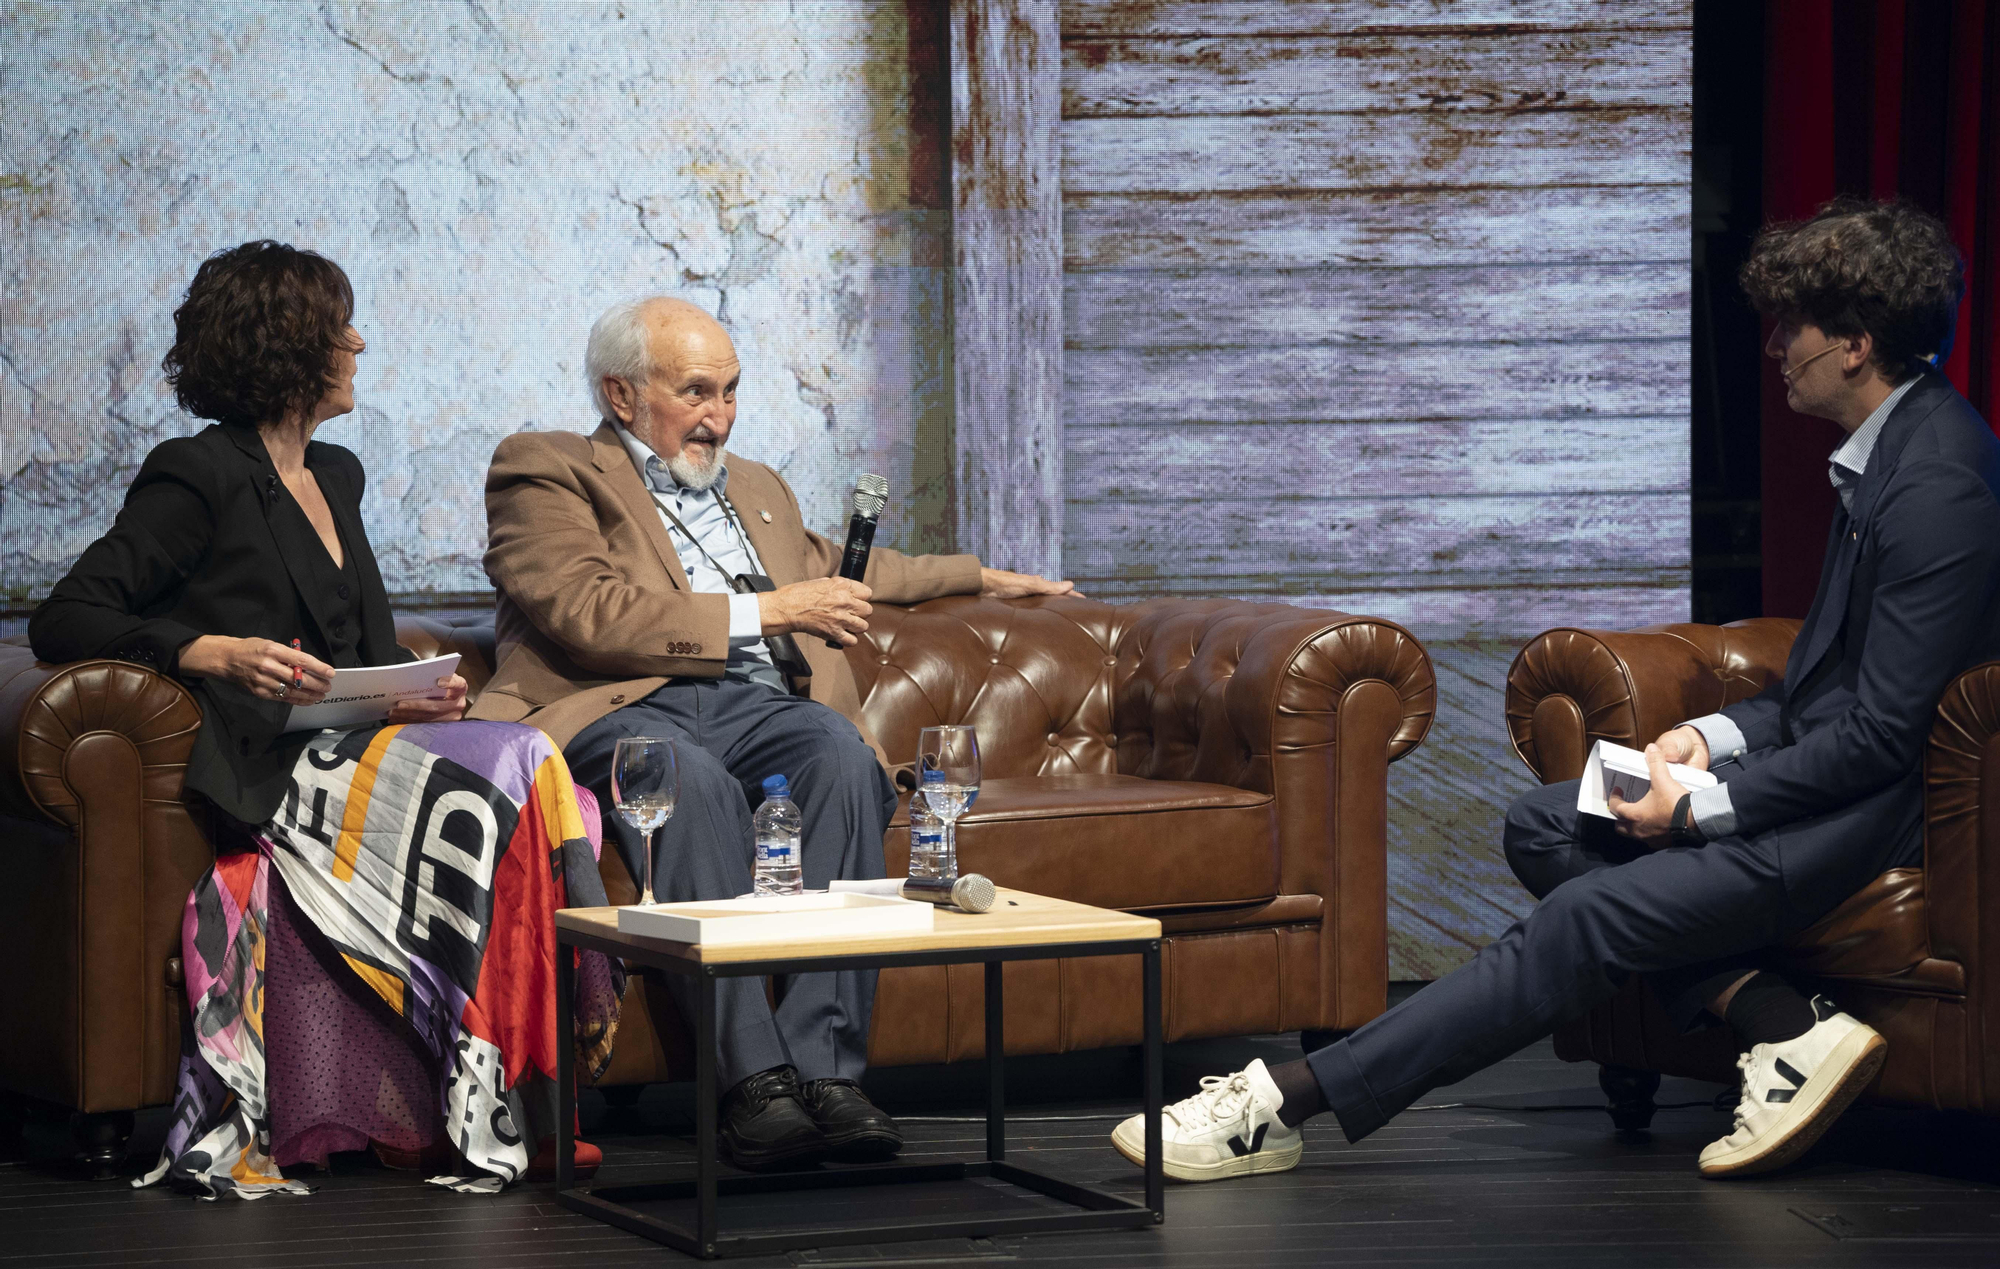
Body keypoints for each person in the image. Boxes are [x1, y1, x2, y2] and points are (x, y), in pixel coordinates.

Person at [1115, 196, 2000, 1183]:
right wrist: (1702, 741)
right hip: (1807, 778)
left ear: (1852, 343)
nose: (1772, 344)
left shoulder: (1936, 486)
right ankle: (1781, 1022)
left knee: (1579, 917)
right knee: (1545, 820)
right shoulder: (1884, 456)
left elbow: (1878, 737)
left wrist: (1696, 810)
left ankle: (1280, 1101)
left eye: (1790, 324)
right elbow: (1817, 693)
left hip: (1856, 817)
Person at [30, 240, 623, 1197]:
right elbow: (69, 614)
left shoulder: (336, 474)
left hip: (361, 742)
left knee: (518, 754)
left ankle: (533, 1063)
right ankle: (568, 1002)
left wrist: (418, 689)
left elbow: (367, 646)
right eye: (338, 324)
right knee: (519, 755)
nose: (357, 341)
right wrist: (200, 649)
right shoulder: (197, 474)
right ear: (290, 343)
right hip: (274, 766)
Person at [470, 296, 1075, 1170]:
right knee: (684, 777)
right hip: (623, 704)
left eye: (731, 391)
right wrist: (768, 609)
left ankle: (827, 1073)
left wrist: (982, 574)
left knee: (838, 754)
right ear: (622, 394)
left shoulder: (752, 485)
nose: (720, 415)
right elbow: (585, 610)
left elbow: (834, 565)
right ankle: (751, 1081)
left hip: (758, 708)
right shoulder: (547, 470)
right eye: (697, 392)